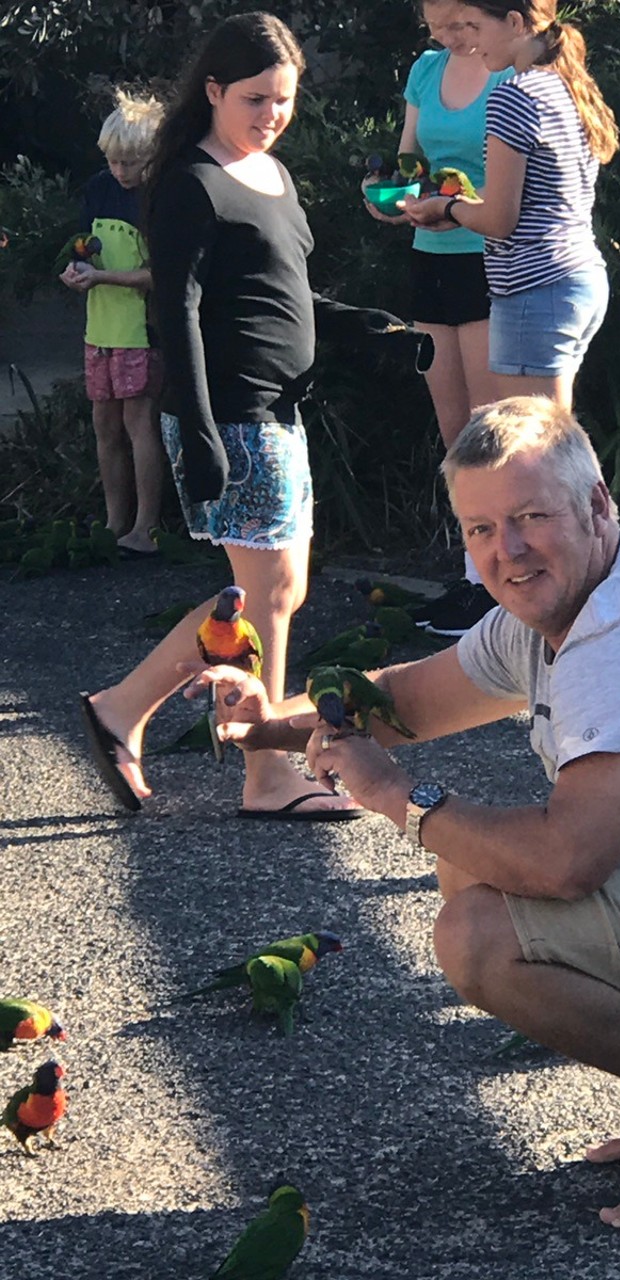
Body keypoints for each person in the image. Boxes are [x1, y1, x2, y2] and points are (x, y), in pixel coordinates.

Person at [190, 395, 620, 1235]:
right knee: (473, 862)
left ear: (599, 504)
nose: (508, 551)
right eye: (481, 529)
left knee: (481, 933)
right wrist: (262, 721)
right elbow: (407, 701)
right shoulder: (554, 610)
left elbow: (569, 862)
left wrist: (394, 795)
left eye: (531, 517)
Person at [78, 11, 363, 820]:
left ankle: (120, 709)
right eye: (254, 98)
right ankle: (266, 775)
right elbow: (180, 310)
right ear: (212, 91)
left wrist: (359, 325)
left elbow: (282, 291)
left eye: (283, 99)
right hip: (231, 417)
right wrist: (199, 432)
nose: (271, 114)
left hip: (281, 413)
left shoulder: (272, 175)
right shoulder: (190, 184)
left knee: (275, 592)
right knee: (265, 595)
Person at [363, 0, 512, 638]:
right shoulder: (425, 70)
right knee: (455, 432)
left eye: (457, 23)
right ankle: (475, 577)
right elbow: (407, 163)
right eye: (436, 26)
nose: (447, 37)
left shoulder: (511, 72)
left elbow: (514, 191)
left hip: (492, 259)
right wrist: (390, 199)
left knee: (492, 430)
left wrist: (451, 208)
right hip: (433, 261)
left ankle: (509, 583)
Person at [403, 1, 618, 413]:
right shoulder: (565, 83)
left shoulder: (512, 97)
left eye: (476, 27)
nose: (472, 41)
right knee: (556, 447)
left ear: (515, 22)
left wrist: (447, 210)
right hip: (577, 278)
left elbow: (499, 219)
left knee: (532, 452)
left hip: (534, 288)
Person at [59, 89, 166, 557]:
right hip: (99, 327)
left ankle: (147, 527)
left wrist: (103, 276)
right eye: (115, 162)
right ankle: (113, 521)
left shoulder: (161, 196)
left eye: (131, 162)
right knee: (105, 424)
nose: (121, 172)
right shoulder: (99, 188)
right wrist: (73, 268)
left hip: (142, 330)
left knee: (138, 421)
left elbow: (162, 273)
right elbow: (82, 243)